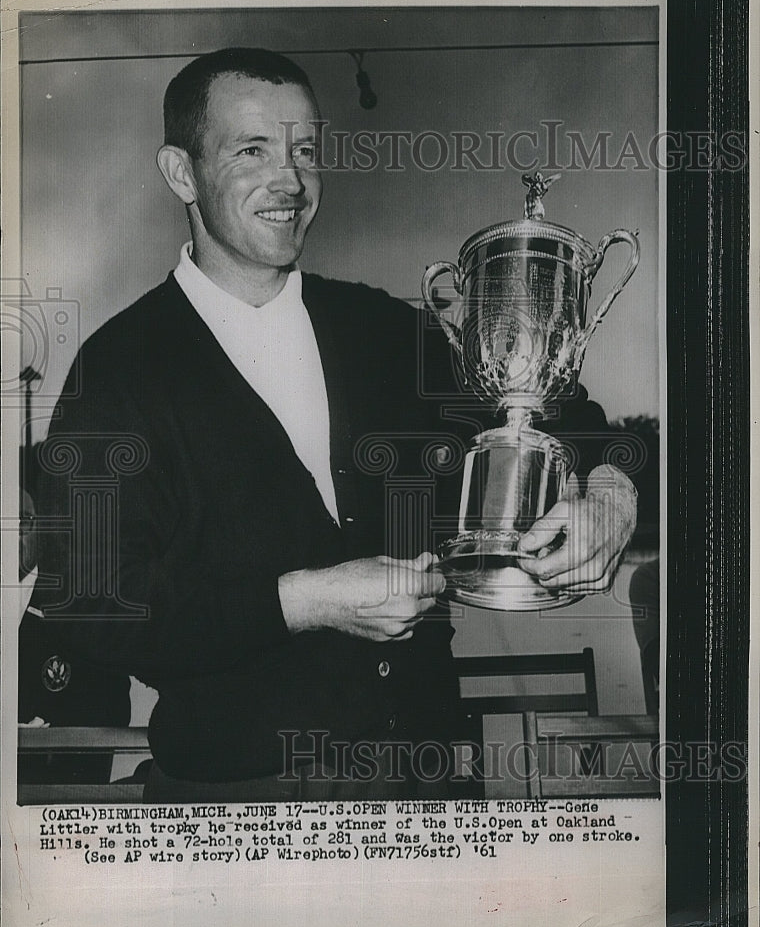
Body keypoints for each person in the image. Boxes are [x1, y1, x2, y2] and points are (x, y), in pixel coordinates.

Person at [32, 48, 636, 802]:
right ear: (181, 173)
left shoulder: (382, 329)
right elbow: (92, 606)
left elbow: (558, 412)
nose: (290, 180)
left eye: (304, 151)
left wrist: (609, 495)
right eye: (251, 150)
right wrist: (305, 599)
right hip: (241, 808)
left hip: (432, 786)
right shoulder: (118, 369)